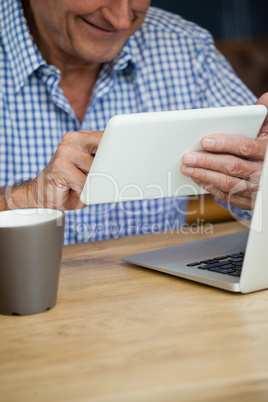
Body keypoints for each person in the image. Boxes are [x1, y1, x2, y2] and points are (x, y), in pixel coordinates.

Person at [0, 0, 267, 244]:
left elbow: (253, 174)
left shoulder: (187, 48)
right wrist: (25, 199)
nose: (122, 21)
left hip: (155, 295)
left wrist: (258, 179)